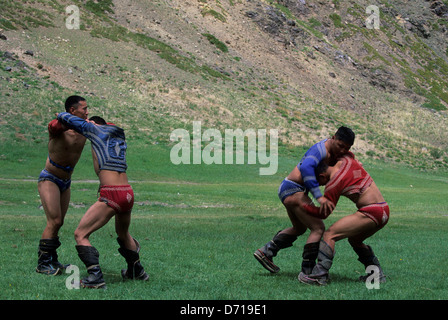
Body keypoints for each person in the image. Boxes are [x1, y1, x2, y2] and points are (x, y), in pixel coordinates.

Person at [56, 112, 149, 289]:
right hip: (127, 192)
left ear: (94, 125)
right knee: (123, 234)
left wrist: (60, 115)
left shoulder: (96, 131)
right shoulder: (117, 134)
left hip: (112, 193)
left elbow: (77, 123)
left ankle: (95, 278)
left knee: (80, 234)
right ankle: (137, 272)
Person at [254, 127, 355, 275]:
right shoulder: (320, 150)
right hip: (294, 189)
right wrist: (318, 195)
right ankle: (307, 272)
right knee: (318, 228)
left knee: (299, 228)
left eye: (346, 148)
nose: (342, 150)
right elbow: (306, 168)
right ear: (333, 137)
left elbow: (344, 159)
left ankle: (266, 252)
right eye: (340, 146)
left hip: (288, 189)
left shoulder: (334, 152)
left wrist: (353, 160)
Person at [298, 153, 389, 286]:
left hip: (371, 211)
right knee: (355, 240)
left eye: (318, 183)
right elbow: (347, 153)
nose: (321, 186)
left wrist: (304, 207)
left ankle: (319, 275)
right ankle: (376, 275)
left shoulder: (333, 183)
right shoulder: (346, 160)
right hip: (384, 209)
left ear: (322, 176)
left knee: (330, 234)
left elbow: (324, 213)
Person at [36, 96, 89, 275]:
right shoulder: (59, 128)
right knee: (55, 220)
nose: (87, 112)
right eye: (84, 109)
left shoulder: (85, 129)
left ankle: (52, 260)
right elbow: (53, 126)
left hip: (66, 182)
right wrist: (66, 119)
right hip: (50, 178)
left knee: (59, 223)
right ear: (72, 111)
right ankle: (42, 263)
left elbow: (103, 128)